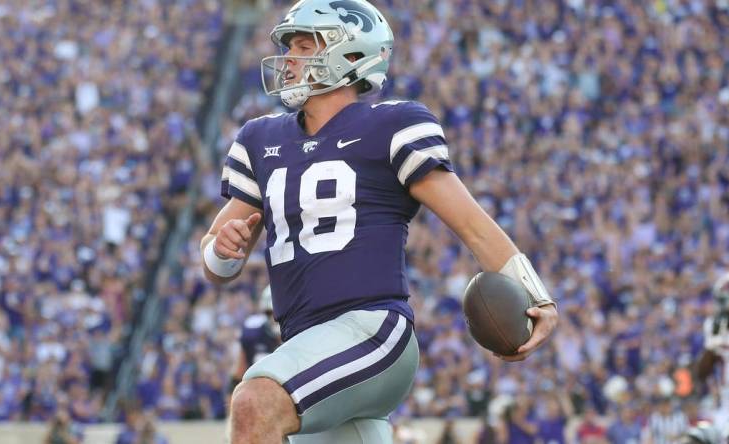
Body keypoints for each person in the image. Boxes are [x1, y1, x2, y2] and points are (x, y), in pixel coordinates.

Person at [200, 1, 558, 442]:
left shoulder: (391, 124)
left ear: (350, 55)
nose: (289, 58)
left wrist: (535, 294)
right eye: (288, 45)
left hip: (372, 331)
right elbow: (217, 264)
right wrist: (223, 250)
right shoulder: (259, 139)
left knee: (255, 402)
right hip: (305, 344)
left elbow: (471, 224)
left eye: (304, 44)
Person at [696, 271, 729, 437]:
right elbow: (701, 373)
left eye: (728, 299)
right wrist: (712, 343)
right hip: (726, 406)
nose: (723, 305)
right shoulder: (715, 325)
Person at [230, 286, 281, 388]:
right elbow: (238, 373)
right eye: (269, 313)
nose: (274, 318)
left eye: (278, 312)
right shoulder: (253, 333)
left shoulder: (300, 333)